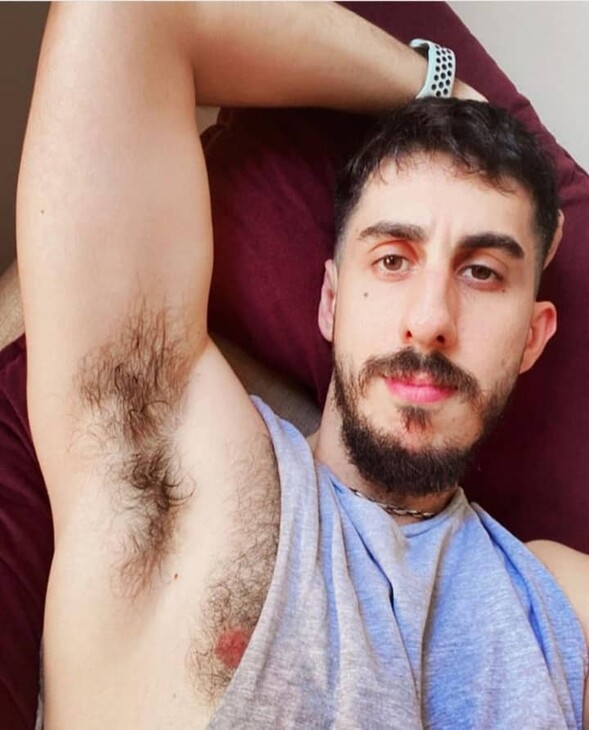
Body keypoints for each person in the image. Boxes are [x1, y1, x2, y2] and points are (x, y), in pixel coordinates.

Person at [15, 2, 588, 728]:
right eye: (392, 259)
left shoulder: (562, 602)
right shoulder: (181, 465)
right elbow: (130, 14)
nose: (430, 319)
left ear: (532, 338)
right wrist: (441, 88)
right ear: (330, 302)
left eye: (482, 272)